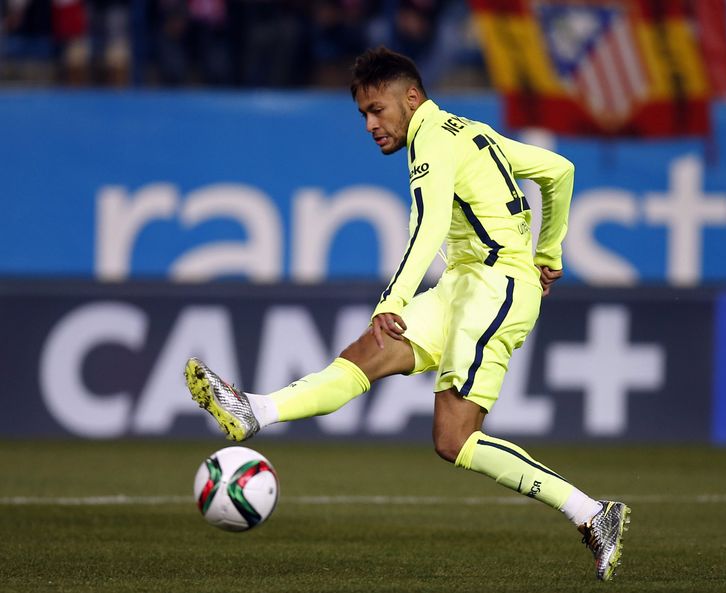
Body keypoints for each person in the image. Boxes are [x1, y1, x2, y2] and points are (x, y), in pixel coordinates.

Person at [185, 46, 630, 581]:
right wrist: (550, 251)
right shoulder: (467, 132)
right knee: (366, 354)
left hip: (495, 289)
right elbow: (559, 170)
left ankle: (592, 513)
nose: (371, 125)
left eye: (378, 110)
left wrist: (392, 300)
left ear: (412, 98)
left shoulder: (431, 144)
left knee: (454, 439)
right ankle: (255, 410)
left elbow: (428, 227)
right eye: (363, 115)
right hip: (467, 281)